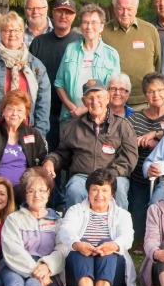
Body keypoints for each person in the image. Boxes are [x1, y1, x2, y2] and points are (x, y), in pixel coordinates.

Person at [43, 79, 137, 210]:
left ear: (107, 98)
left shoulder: (122, 125)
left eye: (99, 97)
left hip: (113, 176)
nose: (95, 102)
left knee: (119, 189)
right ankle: (75, 229)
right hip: (82, 176)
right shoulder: (73, 126)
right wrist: (50, 161)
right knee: (74, 189)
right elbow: (62, 154)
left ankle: (119, 228)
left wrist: (108, 176)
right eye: (90, 98)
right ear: (84, 101)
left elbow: (129, 158)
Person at [58, 169, 137, 286]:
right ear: (88, 192)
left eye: (104, 190)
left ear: (112, 194)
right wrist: (79, 245)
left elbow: (128, 237)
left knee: (106, 245)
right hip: (79, 270)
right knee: (81, 245)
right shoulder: (76, 210)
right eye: (95, 189)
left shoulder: (122, 214)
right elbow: (65, 230)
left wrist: (113, 245)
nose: (99, 195)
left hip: (112, 271)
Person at [0, 168, 68, 286]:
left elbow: (63, 249)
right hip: (15, 265)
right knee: (14, 281)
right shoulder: (14, 219)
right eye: (31, 191)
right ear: (25, 194)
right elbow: (13, 249)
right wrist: (37, 270)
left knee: (33, 284)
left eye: (41, 190)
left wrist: (46, 266)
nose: (37, 195)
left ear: (49, 193)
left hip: (48, 270)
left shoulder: (58, 221)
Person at [0, 11, 50, 137]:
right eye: (7, 30)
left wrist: (39, 135)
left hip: (27, 132)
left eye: (17, 30)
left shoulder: (36, 66)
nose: (12, 34)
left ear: (23, 33)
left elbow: (43, 104)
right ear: (0, 33)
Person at [127, 73, 164, 234]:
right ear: (146, 95)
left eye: (160, 90)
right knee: (139, 227)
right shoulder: (134, 118)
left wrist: (156, 135)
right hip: (140, 177)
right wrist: (140, 141)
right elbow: (125, 142)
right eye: (151, 91)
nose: (156, 95)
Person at [0, 89, 48, 203]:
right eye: (10, 109)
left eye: (19, 110)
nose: (14, 114)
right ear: (3, 112)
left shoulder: (33, 134)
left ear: (25, 115)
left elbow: (42, 160)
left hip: (25, 190)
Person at [54, 3, 121, 124]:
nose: (89, 26)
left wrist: (84, 110)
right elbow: (59, 83)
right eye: (85, 22)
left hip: (99, 118)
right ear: (80, 26)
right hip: (70, 116)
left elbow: (113, 91)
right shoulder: (70, 49)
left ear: (101, 27)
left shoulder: (111, 54)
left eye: (94, 22)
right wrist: (72, 108)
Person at [30, 0, 81, 150]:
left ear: (74, 16)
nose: (63, 16)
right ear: (52, 13)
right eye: (59, 12)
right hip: (45, 111)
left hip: (73, 112)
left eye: (68, 13)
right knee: (48, 158)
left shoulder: (80, 42)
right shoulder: (39, 42)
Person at [101, 0, 161, 110]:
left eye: (129, 9)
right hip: (113, 101)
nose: (125, 13)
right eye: (121, 8)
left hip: (144, 101)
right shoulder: (103, 32)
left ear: (136, 9)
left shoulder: (149, 30)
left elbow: (157, 63)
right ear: (114, 8)